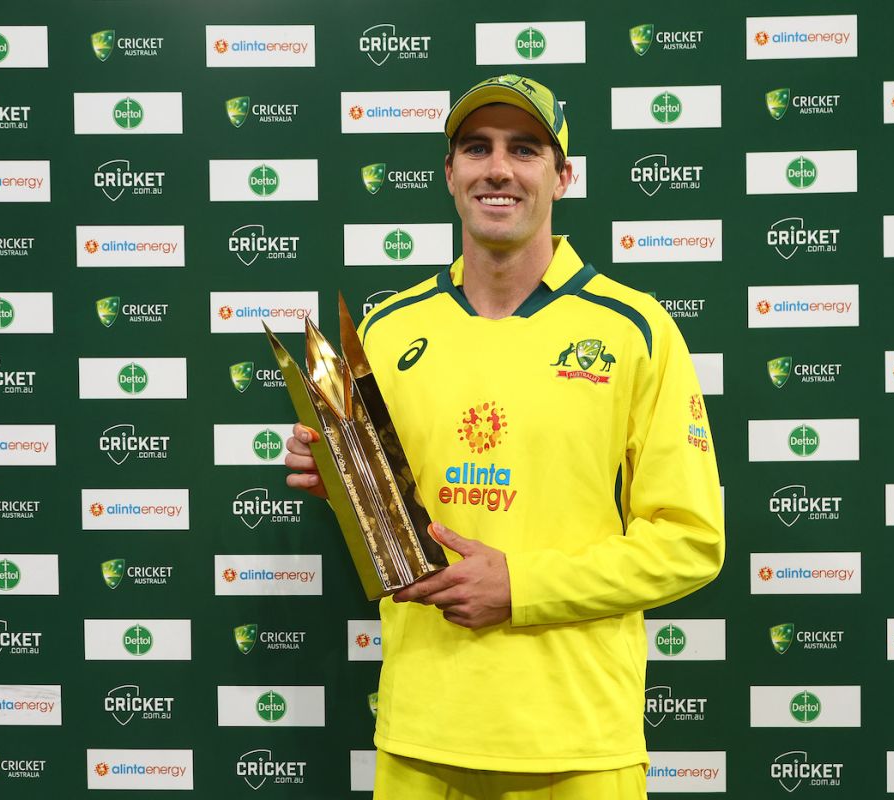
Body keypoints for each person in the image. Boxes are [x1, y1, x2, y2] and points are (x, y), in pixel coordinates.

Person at [285, 74, 724, 800]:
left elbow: (691, 541)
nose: (498, 168)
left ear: (562, 175)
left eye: (525, 149)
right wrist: (336, 476)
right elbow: (390, 529)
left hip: (579, 745)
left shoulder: (635, 329)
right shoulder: (387, 333)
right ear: (449, 173)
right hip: (422, 736)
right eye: (476, 148)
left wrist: (521, 587)